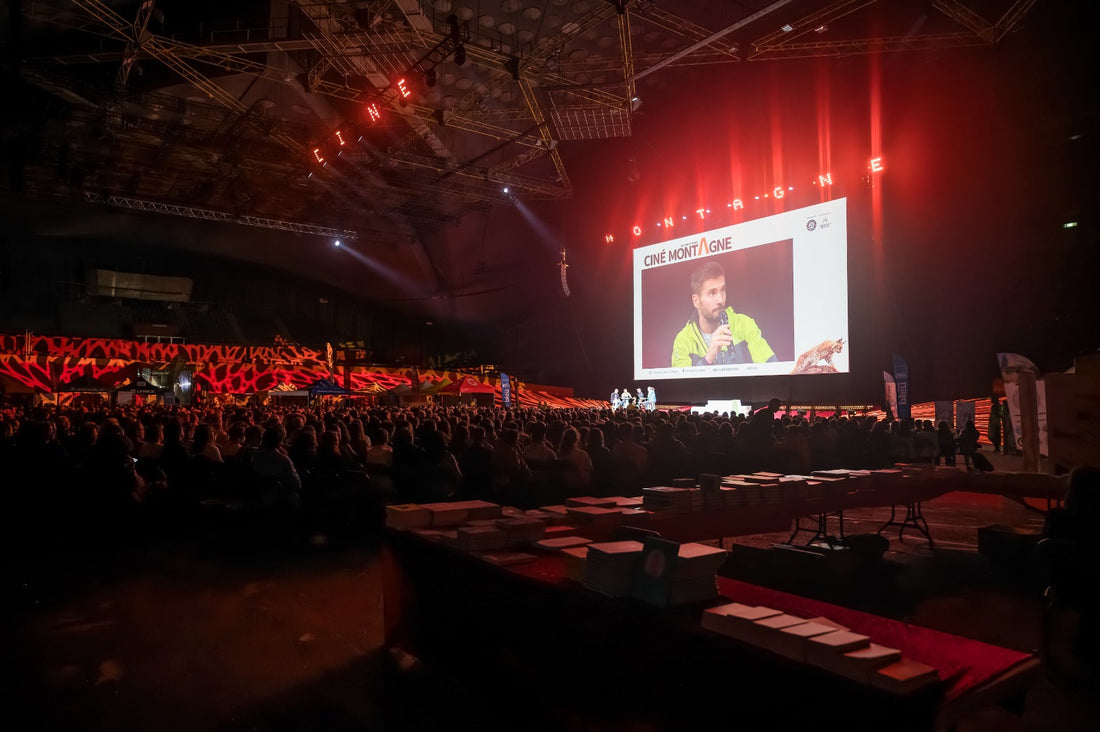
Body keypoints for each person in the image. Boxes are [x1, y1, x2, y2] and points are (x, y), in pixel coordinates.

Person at [671, 260, 777, 366]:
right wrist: (708, 358)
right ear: (696, 301)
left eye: (722, 290)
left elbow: (772, 368)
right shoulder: (682, 340)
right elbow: (682, 382)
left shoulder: (744, 324)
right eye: (712, 293)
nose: (720, 300)